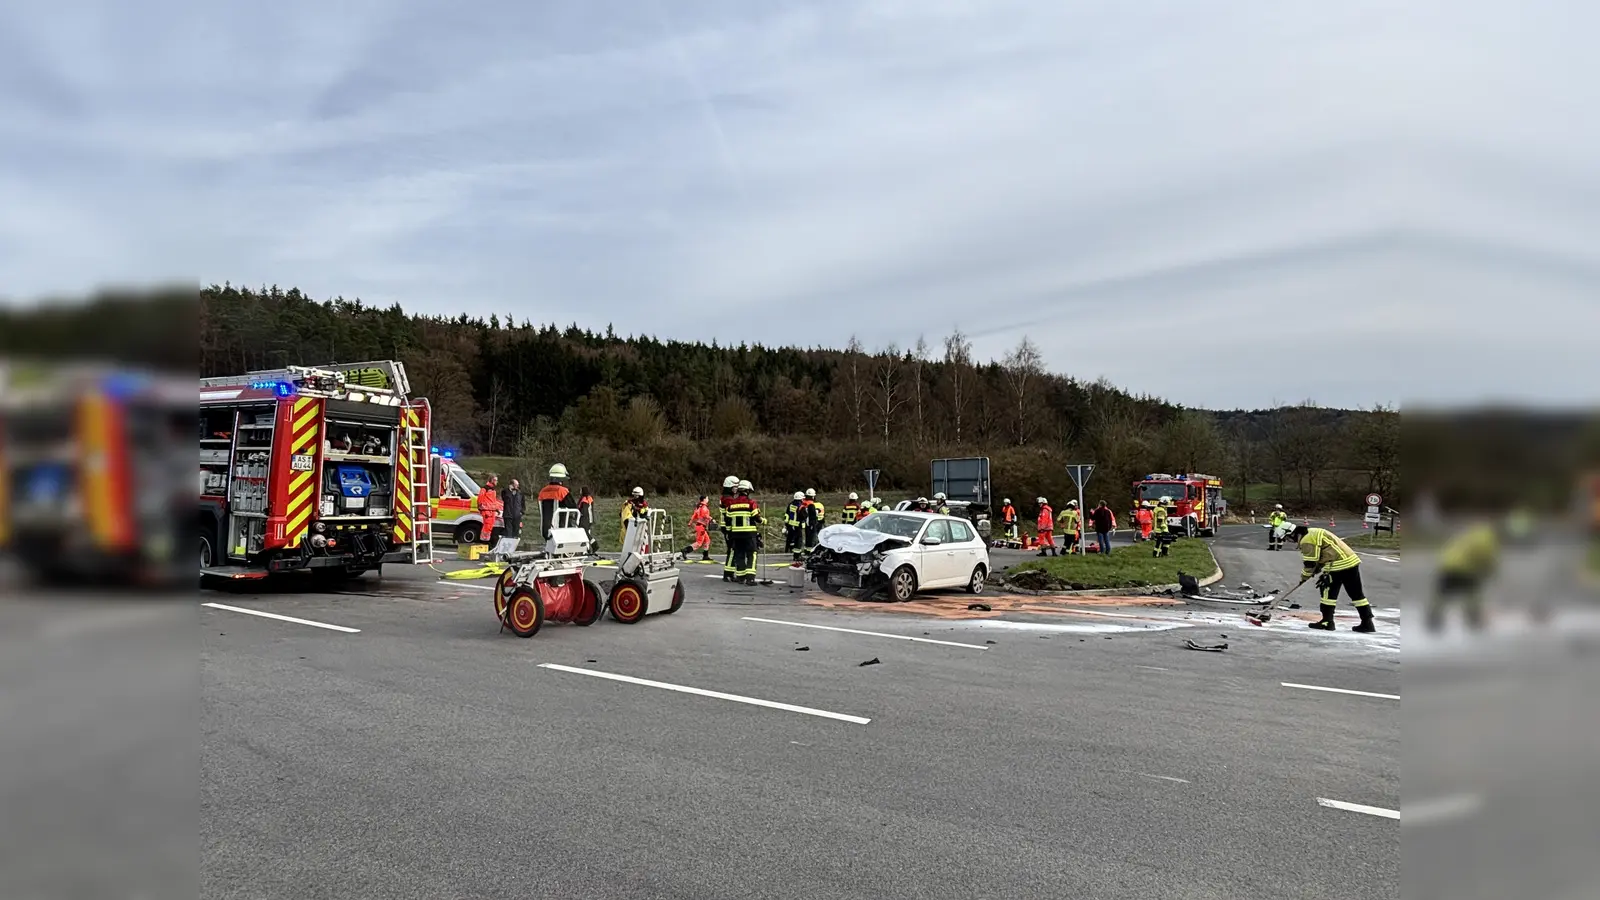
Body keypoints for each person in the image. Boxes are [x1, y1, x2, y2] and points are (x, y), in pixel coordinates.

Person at [1286, 523, 1376, 632]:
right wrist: (1317, 569)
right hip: (1351, 562)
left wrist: (1304, 577)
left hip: (1337, 565)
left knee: (1327, 594)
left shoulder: (1306, 541)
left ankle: (1327, 622)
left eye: (1288, 538)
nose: (1290, 541)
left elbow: (1310, 563)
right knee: (1357, 594)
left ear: (1292, 534)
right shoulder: (1313, 531)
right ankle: (1367, 623)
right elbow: (1324, 553)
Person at [1429, 520, 1498, 633]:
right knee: (1472, 596)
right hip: (1465, 569)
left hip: (1447, 565)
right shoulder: (1486, 539)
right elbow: (1486, 556)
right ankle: (1474, 621)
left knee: (1442, 595)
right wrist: (1490, 571)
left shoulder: (1468, 535)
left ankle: (1434, 620)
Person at [726, 479, 763, 584]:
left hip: (735, 535)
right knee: (752, 554)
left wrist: (729, 533)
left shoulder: (731, 504)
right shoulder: (751, 503)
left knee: (739, 554)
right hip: (749, 534)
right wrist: (763, 520)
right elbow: (757, 518)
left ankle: (740, 577)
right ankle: (750, 578)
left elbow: (728, 520)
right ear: (747, 491)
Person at [535, 464, 577, 542]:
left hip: (545, 529)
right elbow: (573, 507)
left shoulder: (543, 491)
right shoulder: (562, 491)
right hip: (559, 529)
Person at [683, 495, 715, 562]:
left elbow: (694, 515)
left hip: (700, 526)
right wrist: (711, 518)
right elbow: (704, 515)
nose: (708, 499)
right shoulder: (704, 507)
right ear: (704, 499)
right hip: (701, 527)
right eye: (707, 498)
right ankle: (685, 550)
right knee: (699, 543)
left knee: (707, 541)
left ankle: (705, 556)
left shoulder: (699, 507)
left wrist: (690, 522)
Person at [720, 476, 741, 581]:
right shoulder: (727, 499)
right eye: (734, 487)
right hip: (728, 528)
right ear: (729, 487)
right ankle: (728, 573)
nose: (736, 489)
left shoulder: (726, 498)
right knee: (732, 550)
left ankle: (730, 573)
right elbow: (729, 515)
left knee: (733, 550)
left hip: (728, 527)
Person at [477, 475, 503, 545]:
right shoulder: (485, 489)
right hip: (487, 511)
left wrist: (496, 509)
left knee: (490, 527)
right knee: (486, 527)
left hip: (492, 511)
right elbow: (480, 499)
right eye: (496, 480)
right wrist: (481, 508)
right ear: (492, 480)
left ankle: (487, 541)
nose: (497, 482)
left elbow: (493, 501)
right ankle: (483, 541)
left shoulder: (493, 490)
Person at [800, 489, 822, 555]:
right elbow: (812, 515)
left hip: (806, 523)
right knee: (811, 538)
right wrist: (818, 511)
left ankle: (807, 550)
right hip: (811, 523)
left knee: (807, 537)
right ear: (813, 497)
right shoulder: (811, 504)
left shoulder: (804, 503)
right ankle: (810, 551)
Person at [784, 491, 806, 559]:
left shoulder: (791, 504)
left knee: (791, 540)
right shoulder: (801, 506)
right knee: (798, 541)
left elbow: (787, 514)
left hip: (790, 525)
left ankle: (791, 552)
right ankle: (797, 555)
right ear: (801, 499)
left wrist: (786, 525)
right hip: (798, 525)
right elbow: (803, 516)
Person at [577, 487, 596, 552]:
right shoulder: (590, 498)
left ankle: (594, 544)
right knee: (586, 532)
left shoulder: (584, 499)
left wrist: (579, 513)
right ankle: (587, 548)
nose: (580, 492)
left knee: (583, 532)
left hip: (585, 519)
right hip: (590, 518)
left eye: (580, 490)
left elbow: (584, 510)